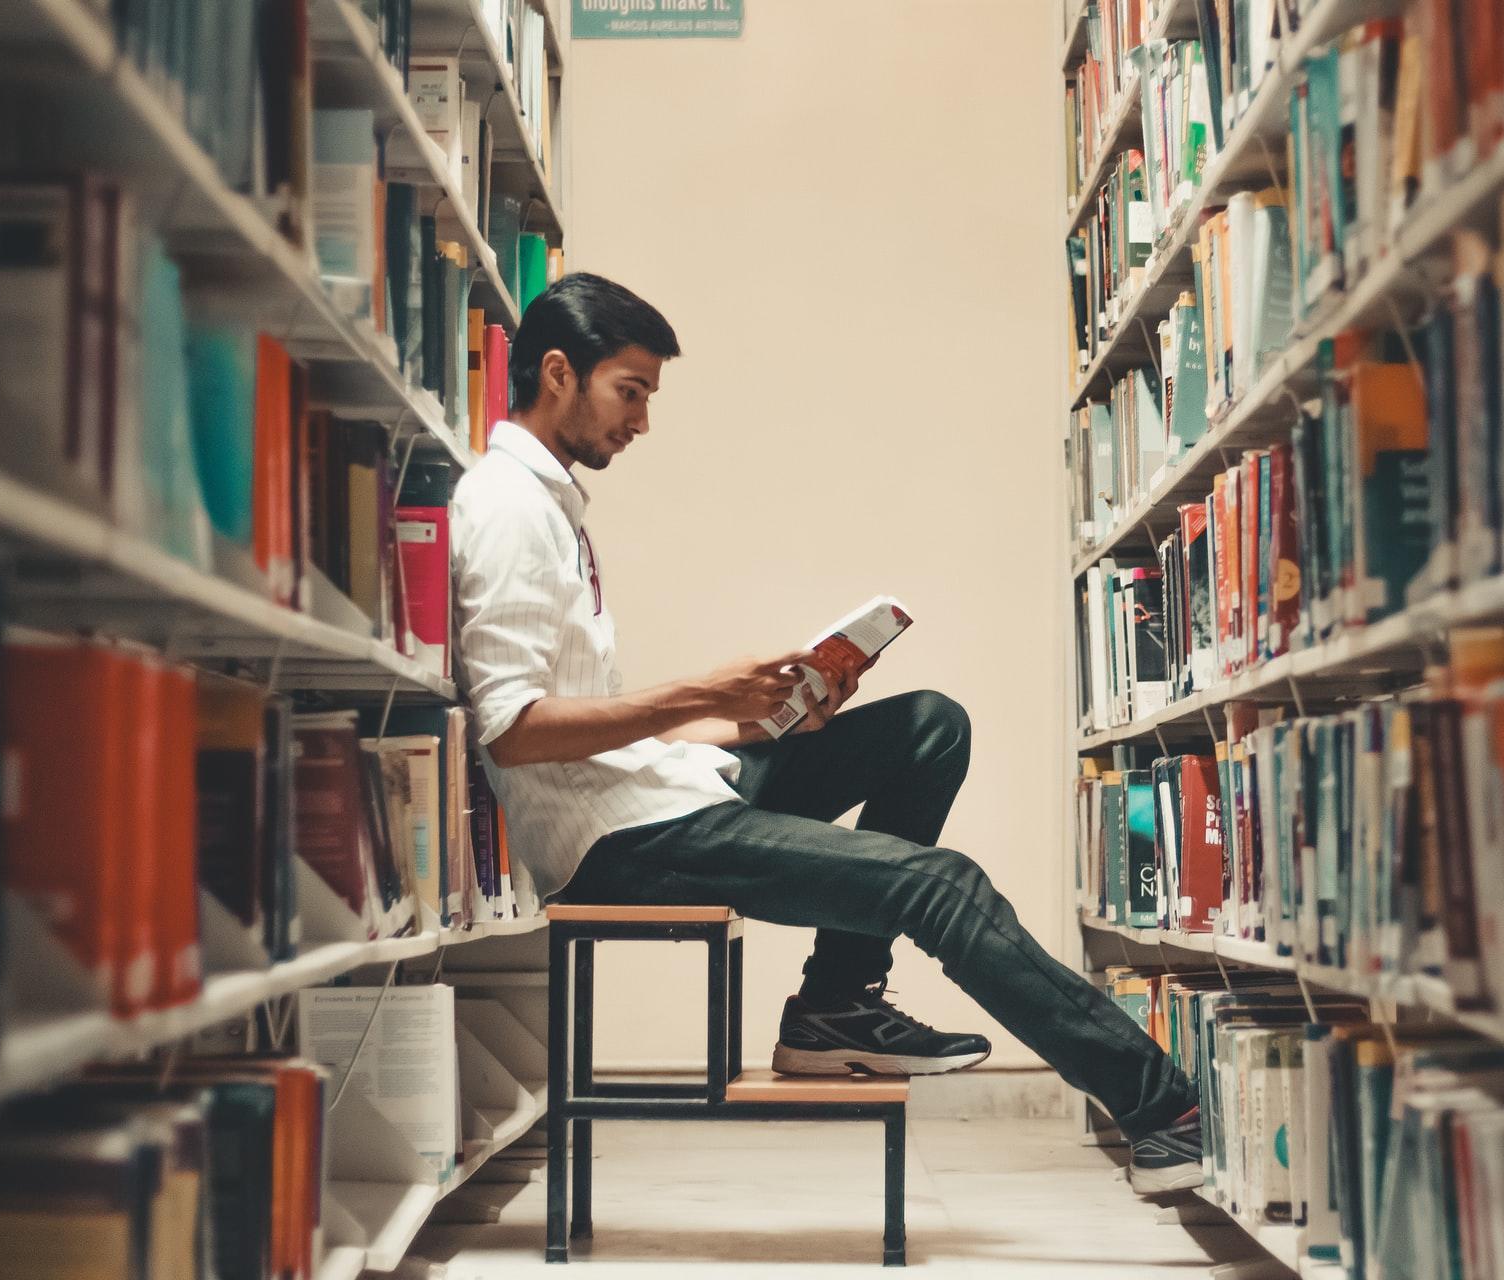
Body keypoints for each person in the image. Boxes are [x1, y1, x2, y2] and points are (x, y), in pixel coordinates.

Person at [447, 273, 1204, 1193]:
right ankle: (1167, 1111)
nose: (642, 421)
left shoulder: (552, 505)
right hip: (619, 843)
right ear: (558, 374)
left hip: (658, 791)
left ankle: (834, 1008)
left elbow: (595, 724)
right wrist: (695, 693)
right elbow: (515, 731)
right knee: (940, 886)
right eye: (631, 391)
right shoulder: (503, 510)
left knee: (930, 728)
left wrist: (751, 718)